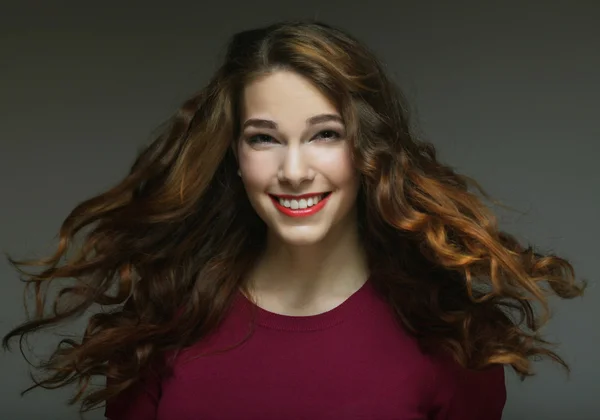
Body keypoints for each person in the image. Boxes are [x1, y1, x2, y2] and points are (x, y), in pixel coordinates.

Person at [2, 20, 585, 420]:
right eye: (264, 139)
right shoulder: (164, 319)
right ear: (234, 154)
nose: (294, 169)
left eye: (324, 135)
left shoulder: (451, 339)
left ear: (368, 148)